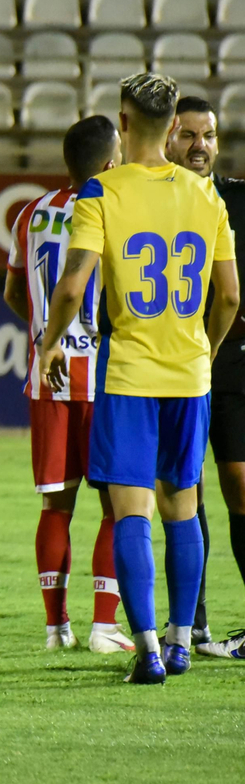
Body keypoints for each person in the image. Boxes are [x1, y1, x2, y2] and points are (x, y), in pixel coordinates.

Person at [36, 73, 240, 684]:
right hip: (189, 374)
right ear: (175, 126)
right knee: (184, 508)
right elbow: (229, 297)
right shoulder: (207, 197)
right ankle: (182, 642)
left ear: (123, 123)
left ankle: (146, 650)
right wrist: (202, 350)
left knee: (131, 513)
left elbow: (73, 285)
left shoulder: (102, 190)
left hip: (127, 373)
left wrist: (49, 344)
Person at [2, 114, 133, 654]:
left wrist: (44, 336)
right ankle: (105, 627)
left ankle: (57, 628)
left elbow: (15, 292)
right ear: (108, 164)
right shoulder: (113, 210)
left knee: (56, 507)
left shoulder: (30, 213)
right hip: (104, 378)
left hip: (46, 377)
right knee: (116, 507)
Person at [164, 95, 245, 659]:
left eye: (208, 135)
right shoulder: (154, 199)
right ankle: (191, 624)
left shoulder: (237, 201)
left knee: (238, 487)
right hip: (174, 361)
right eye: (188, 134)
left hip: (232, 359)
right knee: (182, 493)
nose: (200, 145)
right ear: (168, 138)